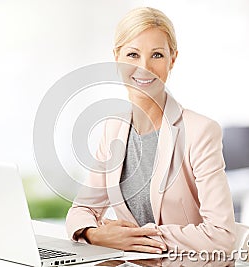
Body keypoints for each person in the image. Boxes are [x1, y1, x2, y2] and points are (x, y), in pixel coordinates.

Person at [65, 7, 236, 255]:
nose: (144, 67)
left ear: (172, 60)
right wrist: (95, 233)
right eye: (133, 54)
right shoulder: (113, 129)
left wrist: (133, 238)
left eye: (156, 55)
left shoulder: (201, 132)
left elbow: (222, 236)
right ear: (116, 58)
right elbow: (81, 211)